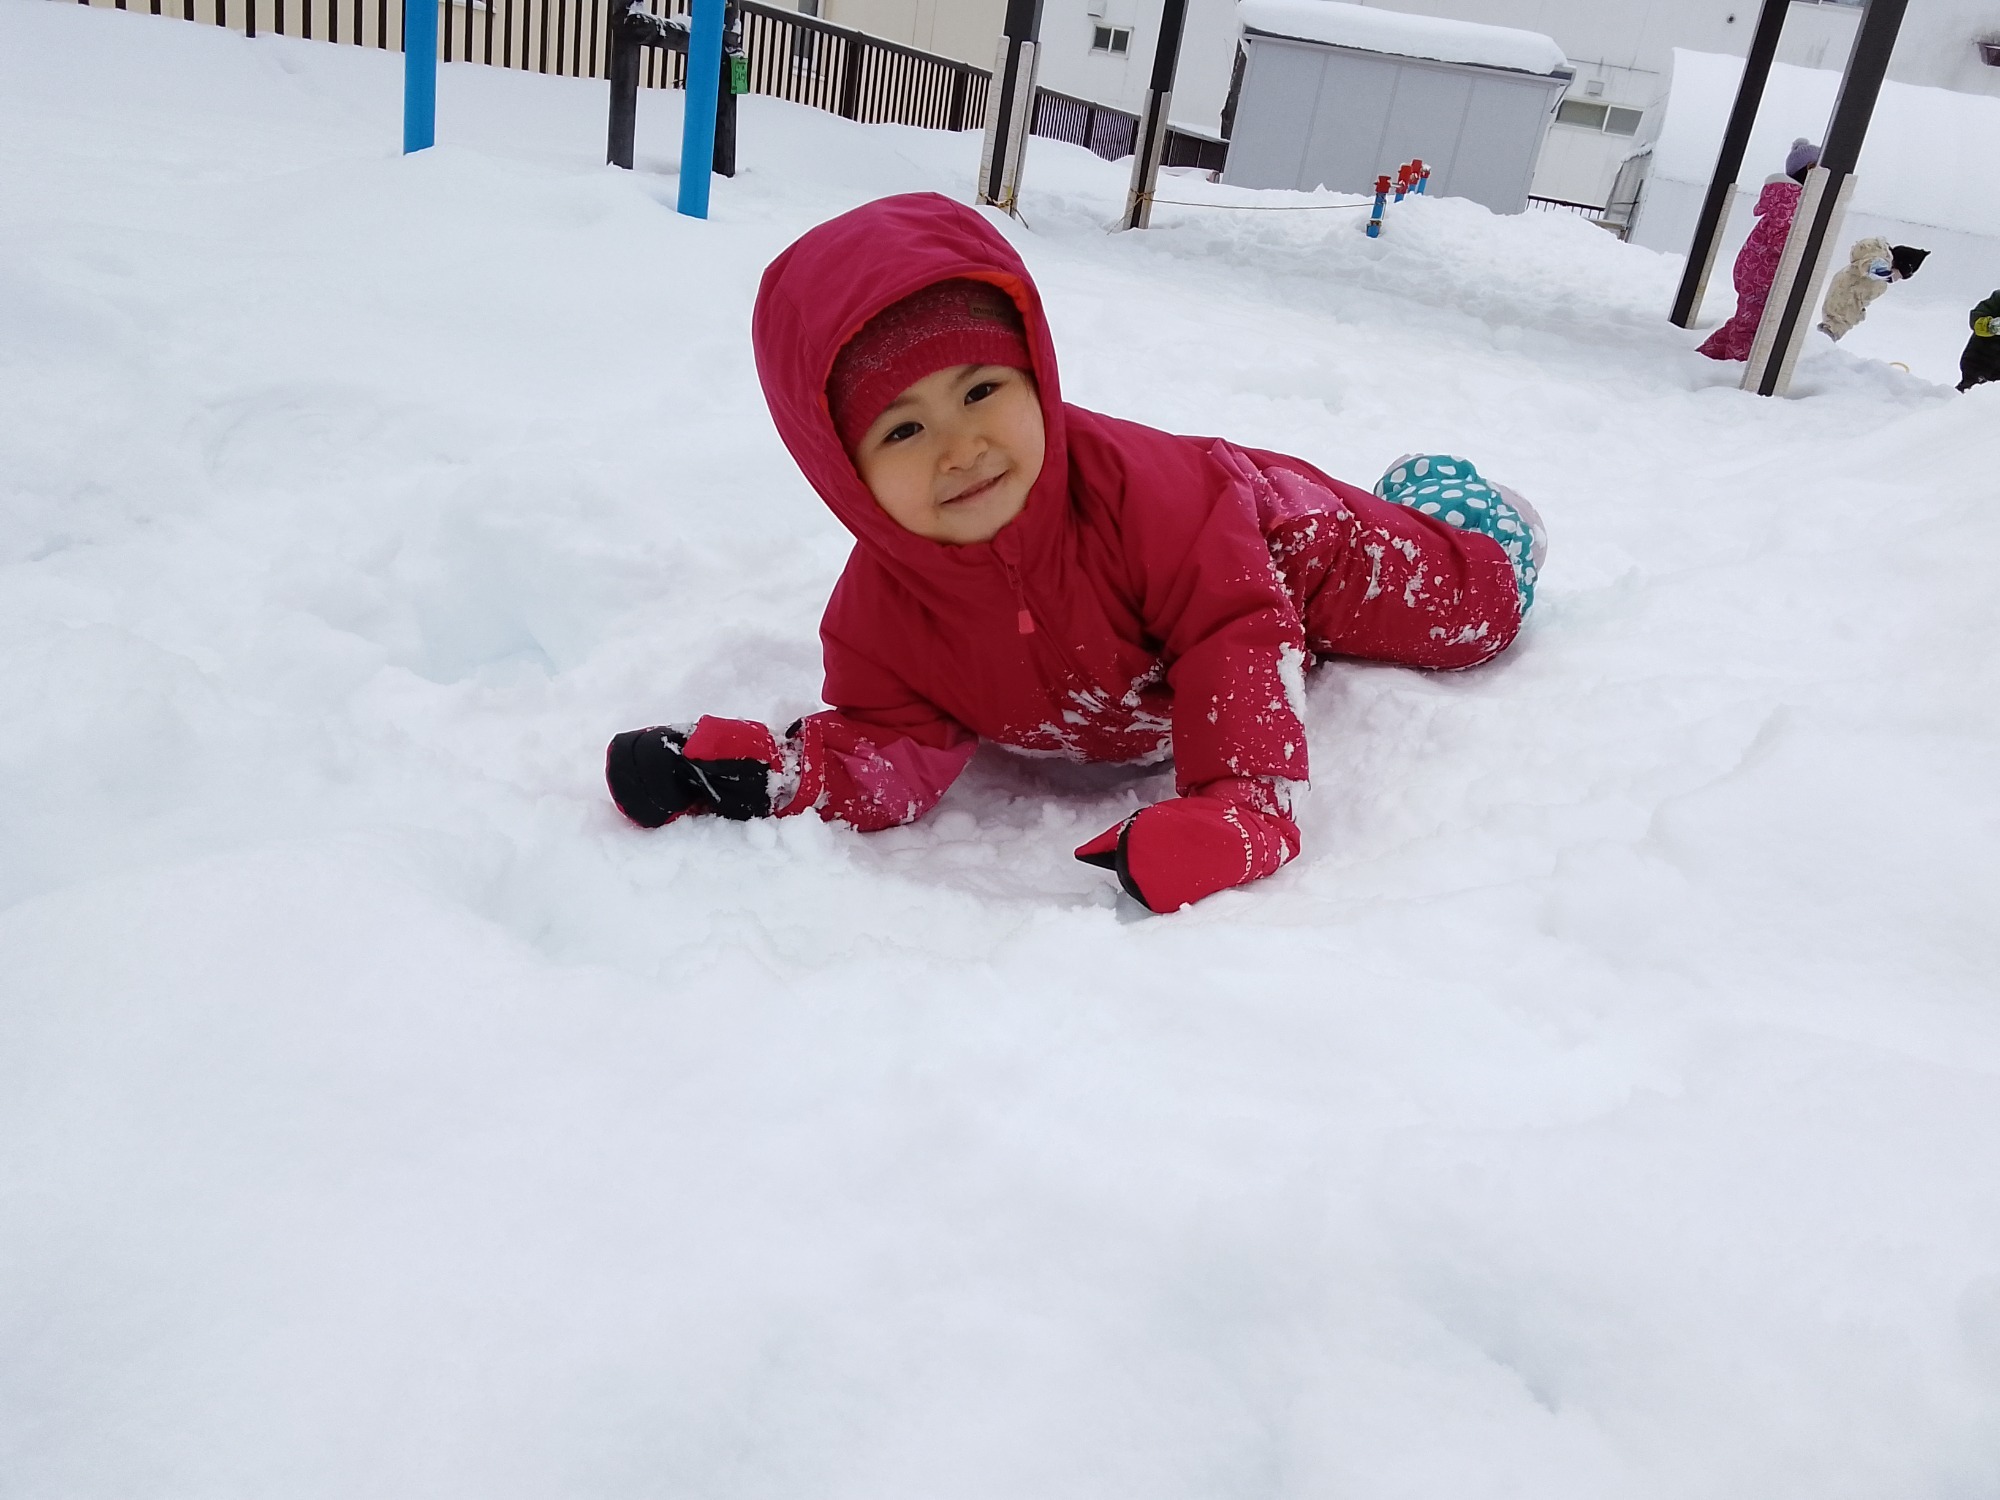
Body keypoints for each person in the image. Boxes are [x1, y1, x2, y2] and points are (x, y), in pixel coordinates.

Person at [603, 194, 1544, 912]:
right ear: (839, 469)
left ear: (1036, 372)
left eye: (981, 393)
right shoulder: (883, 618)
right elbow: (889, 746)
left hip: (1274, 537)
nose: (960, 449)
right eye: (902, 431)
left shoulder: (1156, 504)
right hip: (1191, 607)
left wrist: (1242, 804)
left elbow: (1233, 635)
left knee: (1471, 615)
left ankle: (1463, 508)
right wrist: (770, 775)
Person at [1698, 138, 1819, 363]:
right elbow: (1780, 239)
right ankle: (1737, 363)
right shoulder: (1790, 200)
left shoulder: (1790, 197)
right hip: (1760, 273)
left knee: (1745, 319)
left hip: (1757, 270)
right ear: (1810, 170)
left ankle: (1708, 355)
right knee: (1749, 326)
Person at [1818, 241, 1927, 340]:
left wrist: (1859, 313)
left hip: (1840, 312)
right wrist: (1881, 270)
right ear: (1899, 265)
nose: (1897, 279)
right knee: (1827, 335)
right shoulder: (1875, 264)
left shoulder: (1876, 280)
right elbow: (1871, 265)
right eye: (1901, 275)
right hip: (1839, 313)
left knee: (1826, 335)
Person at [1960, 290, 2000, 392]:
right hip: (1980, 359)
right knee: (1970, 391)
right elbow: (1977, 316)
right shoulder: (1997, 299)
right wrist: (1989, 325)